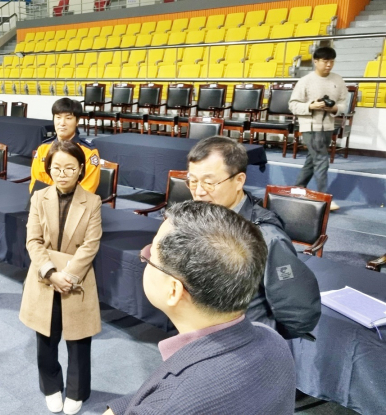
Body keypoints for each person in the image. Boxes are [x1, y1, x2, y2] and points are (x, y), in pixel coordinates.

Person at [105, 201, 296, 414]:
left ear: (173, 290)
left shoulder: (168, 406)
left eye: (151, 253)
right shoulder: (273, 340)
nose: (144, 255)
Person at [187, 136, 321, 339]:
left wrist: (266, 339)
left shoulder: (266, 237)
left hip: (243, 340)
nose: (198, 192)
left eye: (209, 183)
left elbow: (299, 312)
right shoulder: (202, 213)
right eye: (192, 181)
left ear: (239, 180)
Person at [20, 140, 103, 415]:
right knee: (45, 337)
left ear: (80, 169)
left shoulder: (93, 201)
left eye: (69, 168)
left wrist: (67, 275)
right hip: (44, 276)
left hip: (76, 278)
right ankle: (51, 387)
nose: (62, 173)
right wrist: (50, 273)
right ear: (48, 169)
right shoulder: (38, 197)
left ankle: (78, 391)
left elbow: (91, 244)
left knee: (79, 339)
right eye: (56, 168)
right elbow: (33, 240)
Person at [289, 46, 348, 211]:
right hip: (310, 126)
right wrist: (311, 106)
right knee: (321, 160)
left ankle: (297, 188)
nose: (329, 65)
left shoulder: (338, 80)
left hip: (328, 126)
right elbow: (293, 105)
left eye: (332, 61)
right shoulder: (305, 81)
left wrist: (335, 108)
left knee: (312, 159)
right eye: (325, 61)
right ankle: (324, 198)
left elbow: (343, 104)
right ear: (316, 61)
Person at [30, 97, 101, 193]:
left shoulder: (89, 153)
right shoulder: (43, 149)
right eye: (58, 117)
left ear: (77, 121)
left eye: (68, 118)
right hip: (44, 200)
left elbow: (87, 190)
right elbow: (35, 184)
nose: (62, 123)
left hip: (74, 201)